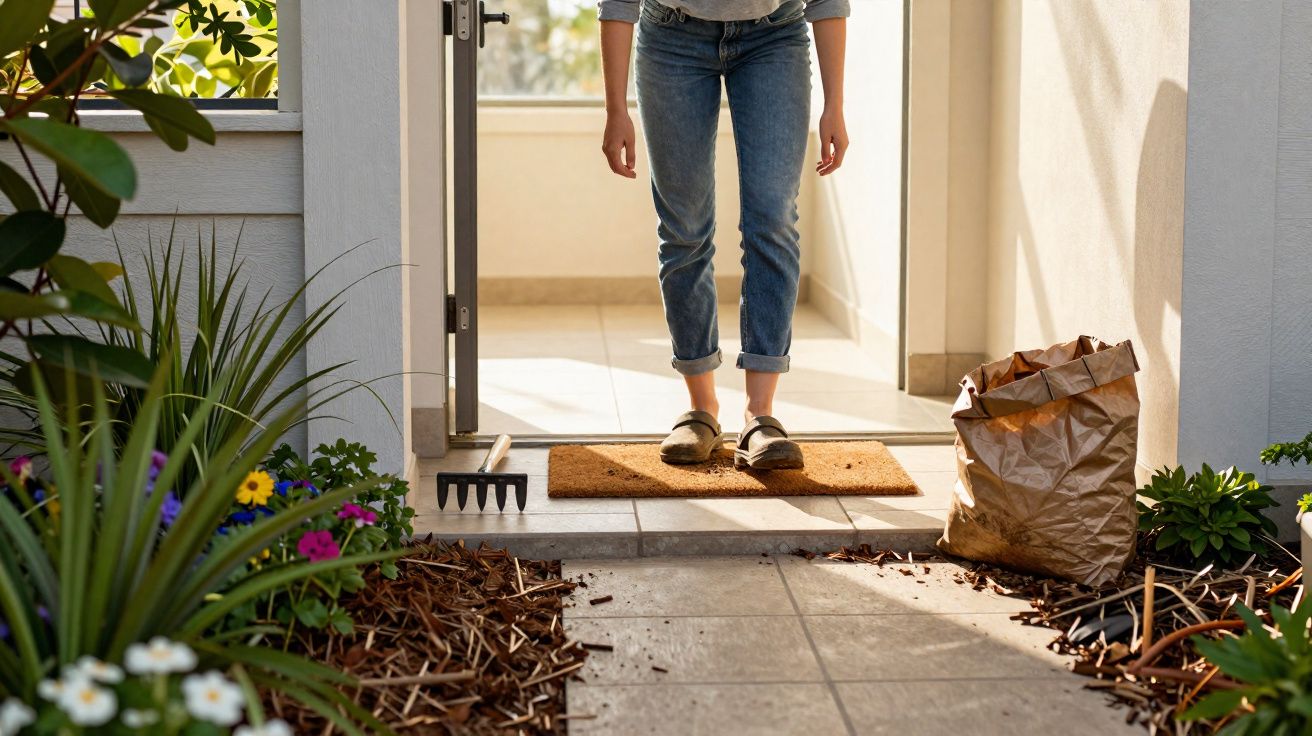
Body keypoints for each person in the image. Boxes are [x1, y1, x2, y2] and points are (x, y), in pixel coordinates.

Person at [598, 0, 849, 469]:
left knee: (772, 221)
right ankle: (701, 410)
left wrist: (834, 104)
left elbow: (827, 1)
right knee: (684, 229)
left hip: (774, 37)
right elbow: (617, 2)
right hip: (672, 39)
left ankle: (760, 415)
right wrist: (616, 109)